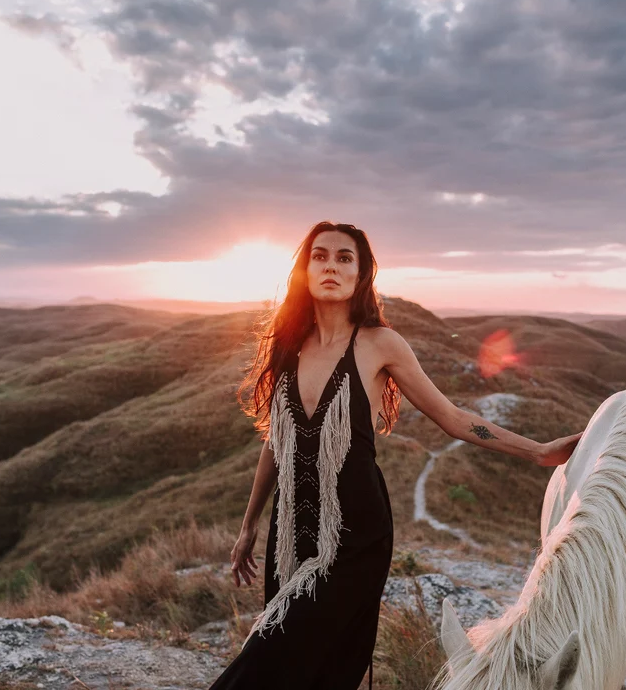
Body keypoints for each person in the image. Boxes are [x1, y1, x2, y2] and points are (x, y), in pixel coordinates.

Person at [207, 221, 582, 690]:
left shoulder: (379, 344)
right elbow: (278, 443)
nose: (331, 265)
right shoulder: (288, 345)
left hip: (354, 536)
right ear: (304, 269)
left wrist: (538, 451)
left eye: (345, 258)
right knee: (303, 668)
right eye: (319, 256)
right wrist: (248, 525)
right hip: (291, 532)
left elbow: (452, 417)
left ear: (362, 274)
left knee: (267, 658)